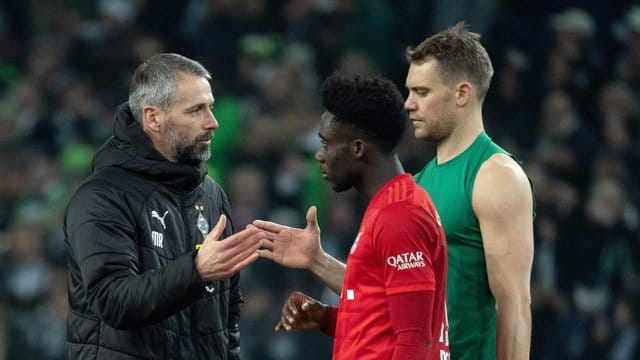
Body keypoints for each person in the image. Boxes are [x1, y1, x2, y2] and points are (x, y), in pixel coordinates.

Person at [63, 53, 263, 359]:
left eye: (210, 106)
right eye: (196, 110)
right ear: (153, 118)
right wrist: (196, 270)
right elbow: (113, 302)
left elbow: (228, 316)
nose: (213, 122)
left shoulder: (211, 196)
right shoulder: (102, 197)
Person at [255, 72, 449, 359]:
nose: (320, 155)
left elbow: (414, 340)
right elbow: (382, 319)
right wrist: (327, 317)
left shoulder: (399, 215)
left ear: (358, 148)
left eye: (326, 143)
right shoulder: (390, 206)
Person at [404, 22, 534, 359]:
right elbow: (390, 291)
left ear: (462, 93)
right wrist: (318, 261)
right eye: (409, 91)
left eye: (421, 92)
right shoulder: (415, 183)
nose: (408, 104)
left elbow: (515, 305)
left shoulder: (496, 176)